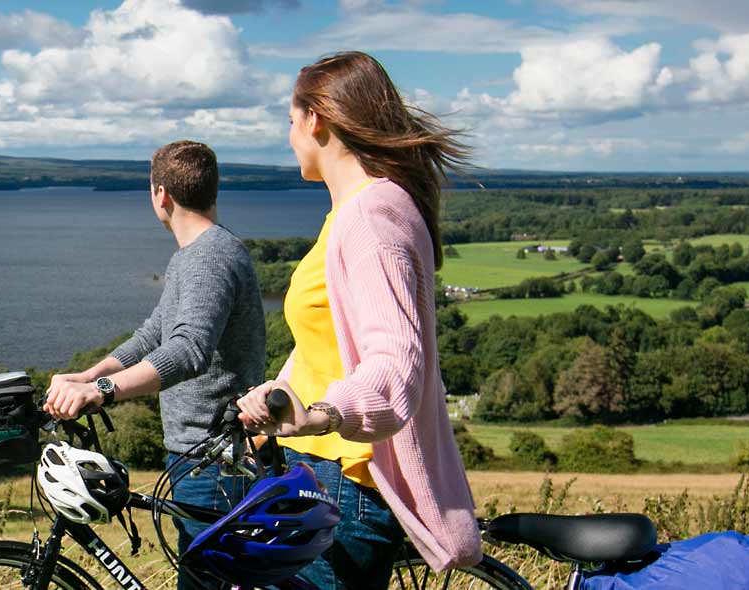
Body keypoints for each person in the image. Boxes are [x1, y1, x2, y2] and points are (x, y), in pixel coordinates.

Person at [234, 50, 482, 589]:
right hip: (321, 474)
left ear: (315, 121)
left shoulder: (371, 220)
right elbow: (329, 341)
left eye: (291, 122)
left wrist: (321, 414)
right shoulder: (358, 212)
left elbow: (395, 367)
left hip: (346, 482)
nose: (290, 137)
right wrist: (276, 393)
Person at [41, 140, 267, 590]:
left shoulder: (209, 258)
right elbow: (153, 335)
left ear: (160, 194)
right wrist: (89, 376)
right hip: (197, 457)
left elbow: (187, 350)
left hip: (215, 464)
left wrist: (102, 392)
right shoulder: (194, 255)